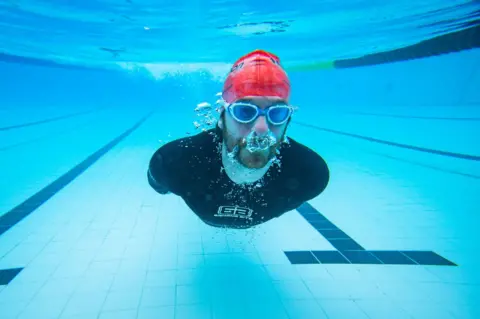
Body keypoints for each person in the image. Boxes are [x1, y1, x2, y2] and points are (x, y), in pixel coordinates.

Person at [147, 49, 330, 229]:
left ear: (287, 120)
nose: (261, 129)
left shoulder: (309, 175)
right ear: (222, 117)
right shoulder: (173, 163)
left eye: (277, 113)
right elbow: (159, 184)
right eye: (245, 111)